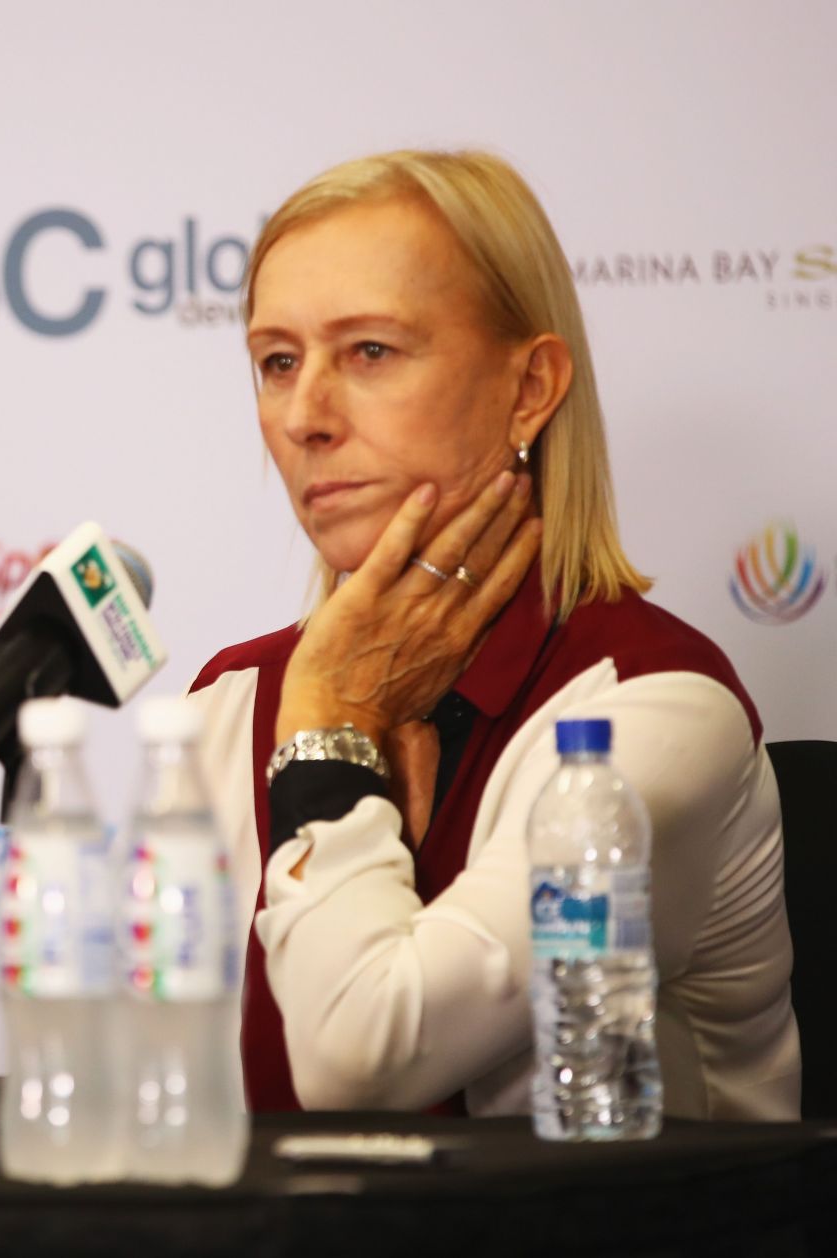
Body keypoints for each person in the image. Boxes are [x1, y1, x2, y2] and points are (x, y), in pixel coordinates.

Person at [186, 150, 799, 1118]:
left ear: (530, 389)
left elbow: (364, 1062)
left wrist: (328, 727)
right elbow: (156, 1093)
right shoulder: (227, 703)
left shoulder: (656, 703)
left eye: (371, 352)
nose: (305, 416)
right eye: (278, 361)